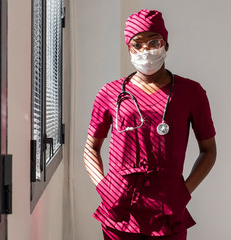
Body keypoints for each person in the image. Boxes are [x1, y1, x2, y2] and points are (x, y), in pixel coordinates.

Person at [84, 9, 217, 240]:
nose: (146, 50)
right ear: (129, 50)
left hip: (167, 205)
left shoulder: (191, 92)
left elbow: (209, 150)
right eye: (137, 44)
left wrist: (183, 192)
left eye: (154, 41)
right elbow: (90, 149)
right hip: (120, 206)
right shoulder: (110, 92)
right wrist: (104, 188)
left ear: (166, 45)